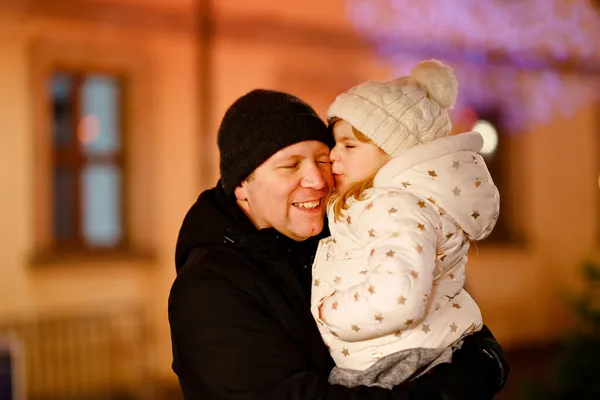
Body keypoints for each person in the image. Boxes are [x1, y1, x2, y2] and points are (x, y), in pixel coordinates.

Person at [168, 88, 508, 400]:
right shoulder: (208, 290)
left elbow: (439, 308)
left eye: (322, 159)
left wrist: (484, 353)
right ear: (242, 185)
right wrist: (451, 390)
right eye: (290, 166)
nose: (317, 180)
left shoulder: (339, 232)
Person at [310, 60, 501, 390]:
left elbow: (397, 297)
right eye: (335, 143)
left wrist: (329, 311)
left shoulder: (392, 205)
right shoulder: (403, 203)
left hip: (395, 362)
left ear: (394, 154)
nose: (334, 156)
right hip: (407, 352)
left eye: (349, 145)